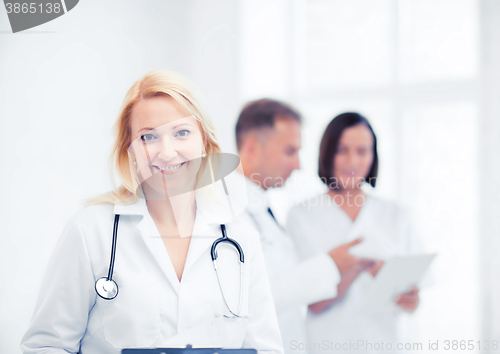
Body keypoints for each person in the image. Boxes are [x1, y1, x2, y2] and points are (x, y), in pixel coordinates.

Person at [20, 71, 283, 354]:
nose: (167, 152)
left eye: (181, 133)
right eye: (148, 137)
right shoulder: (91, 230)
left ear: (204, 143)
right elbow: (46, 346)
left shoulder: (240, 237)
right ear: (129, 149)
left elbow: (265, 349)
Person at [235, 99, 375, 354]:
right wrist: (330, 265)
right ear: (252, 148)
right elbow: (251, 298)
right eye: (290, 151)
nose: (297, 165)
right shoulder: (229, 213)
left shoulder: (261, 210)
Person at [287, 112, 423, 354]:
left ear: (373, 156)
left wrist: (410, 300)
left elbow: (411, 296)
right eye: (342, 150)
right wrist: (356, 265)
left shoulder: (396, 214)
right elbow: (314, 302)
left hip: (386, 343)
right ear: (327, 153)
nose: (352, 161)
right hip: (327, 344)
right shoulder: (302, 216)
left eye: (362, 151)